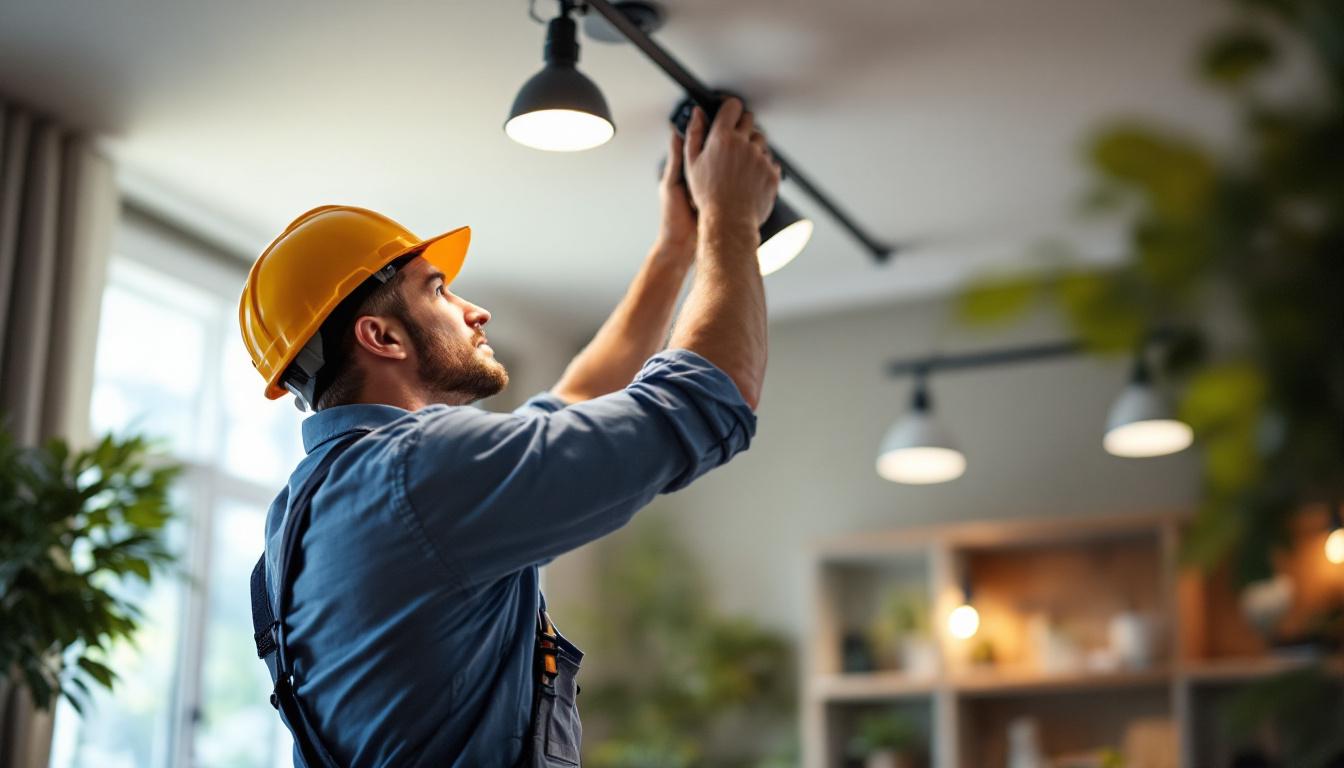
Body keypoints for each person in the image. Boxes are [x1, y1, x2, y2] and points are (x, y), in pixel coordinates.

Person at [237, 97, 778, 766]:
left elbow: (572, 404)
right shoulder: (422, 474)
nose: (476, 310)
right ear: (379, 335)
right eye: (437, 289)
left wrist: (675, 251)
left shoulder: (310, 509)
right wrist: (731, 216)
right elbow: (710, 398)